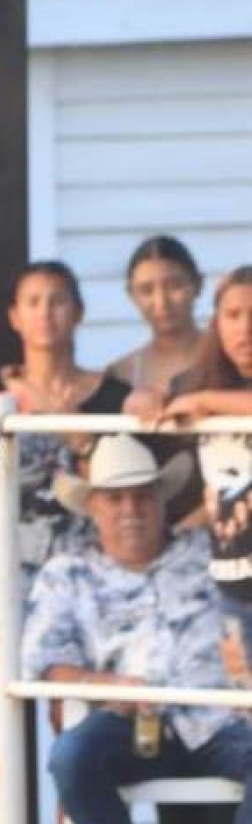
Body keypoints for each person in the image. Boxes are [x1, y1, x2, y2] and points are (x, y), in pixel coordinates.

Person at [0, 260, 133, 824]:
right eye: (33, 301)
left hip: (81, 568)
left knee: (72, 722)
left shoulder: (110, 394)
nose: (46, 313)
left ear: (79, 311)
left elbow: (117, 480)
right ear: (15, 315)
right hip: (1, 565)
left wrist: (68, 421)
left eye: (58, 300)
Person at [23, 434, 252, 824]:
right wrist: (106, 685)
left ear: (162, 501)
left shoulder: (208, 554)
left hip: (220, 719)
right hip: (129, 724)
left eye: (143, 497)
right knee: (71, 756)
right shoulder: (67, 574)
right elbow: (45, 661)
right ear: (93, 507)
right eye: (115, 499)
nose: (131, 510)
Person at [159, 266, 252, 685]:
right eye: (233, 315)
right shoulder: (195, 384)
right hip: (230, 581)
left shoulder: (203, 394)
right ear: (216, 322)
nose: (245, 328)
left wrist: (206, 400)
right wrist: (145, 400)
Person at [108, 236, 205, 395]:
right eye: (147, 290)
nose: (161, 302)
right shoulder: (121, 374)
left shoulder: (232, 356)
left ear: (198, 284)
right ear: (131, 295)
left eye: (174, 286)